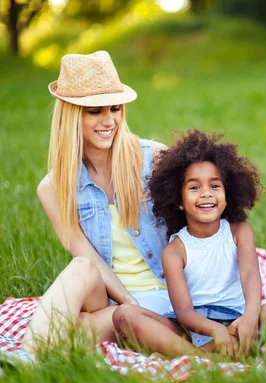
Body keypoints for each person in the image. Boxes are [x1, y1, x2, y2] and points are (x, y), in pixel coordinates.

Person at [20, 51, 178, 357]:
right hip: (112, 300)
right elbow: (86, 255)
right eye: (95, 111)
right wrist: (127, 302)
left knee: (65, 337)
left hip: (167, 296)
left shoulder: (155, 160)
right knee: (81, 266)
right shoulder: (54, 187)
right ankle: (26, 359)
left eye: (115, 108)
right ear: (71, 115)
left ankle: (27, 358)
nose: (109, 121)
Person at [114, 130, 266, 358]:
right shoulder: (174, 251)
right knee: (124, 315)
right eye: (194, 187)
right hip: (192, 329)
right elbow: (183, 311)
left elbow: (250, 274)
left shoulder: (239, 233)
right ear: (178, 200)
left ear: (227, 193)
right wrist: (215, 330)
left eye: (215, 186)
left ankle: (194, 356)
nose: (205, 194)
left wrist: (250, 317)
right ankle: (204, 355)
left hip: (237, 321)